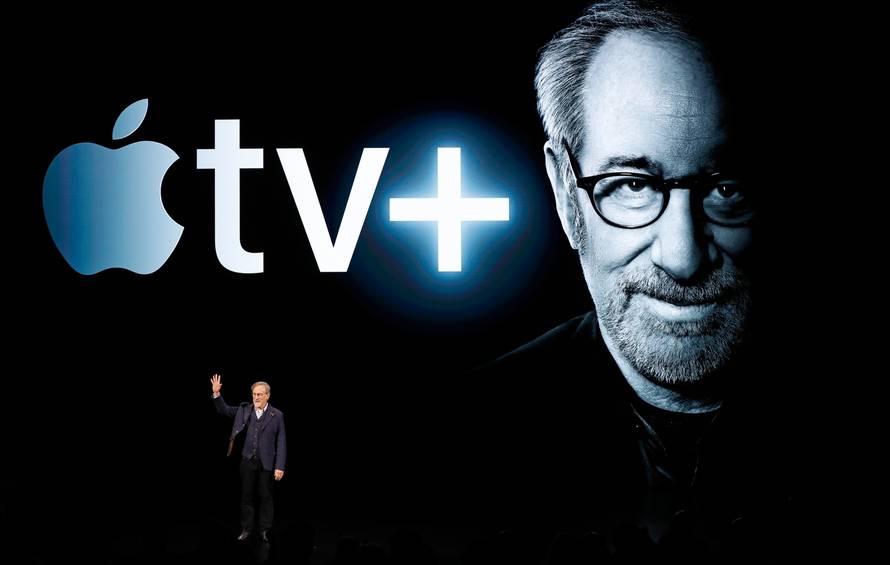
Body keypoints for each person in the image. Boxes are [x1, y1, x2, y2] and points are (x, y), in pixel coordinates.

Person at [477, 0, 802, 557]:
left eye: (725, 187)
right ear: (563, 192)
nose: (683, 256)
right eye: (631, 185)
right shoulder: (454, 439)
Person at [210, 374, 286, 542]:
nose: (256, 397)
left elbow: (281, 442)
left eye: (260, 394)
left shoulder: (277, 415)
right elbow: (225, 410)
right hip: (247, 460)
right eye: (254, 394)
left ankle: (265, 530)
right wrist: (217, 395)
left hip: (266, 463)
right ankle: (246, 529)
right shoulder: (245, 410)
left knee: (266, 496)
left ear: (267, 395)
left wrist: (279, 466)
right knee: (246, 496)